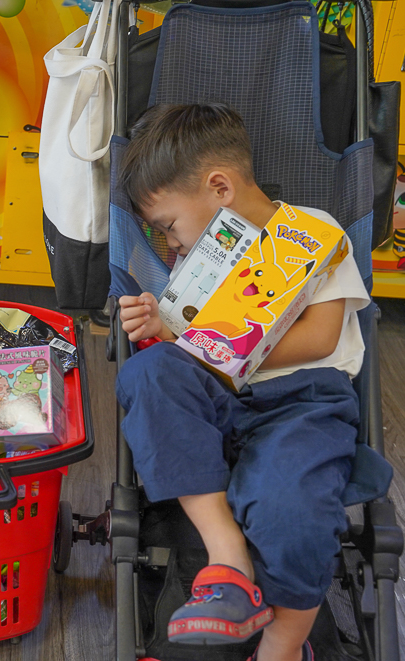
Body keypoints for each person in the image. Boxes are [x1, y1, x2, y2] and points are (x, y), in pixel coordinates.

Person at [115, 103, 372, 661]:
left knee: (295, 511)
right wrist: (163, 325)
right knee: (149, 371)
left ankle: (284, 644)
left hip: (304, 402)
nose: (172, 246)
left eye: (170, 226)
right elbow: (186, 355)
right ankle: (225, 554)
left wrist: (226, 345)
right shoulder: (200, 268)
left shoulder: (311, 230)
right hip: (222, 400)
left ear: (219, 187)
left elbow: (322, 337)